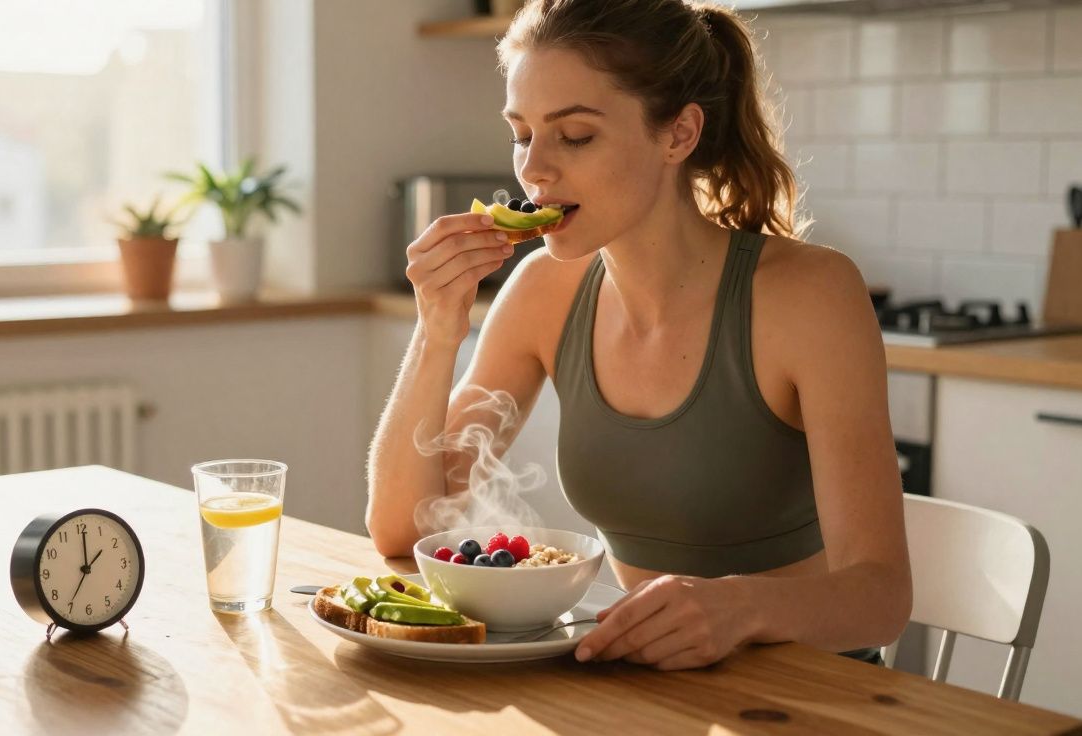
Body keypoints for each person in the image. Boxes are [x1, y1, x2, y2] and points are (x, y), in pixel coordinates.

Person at [366, 0, 911, 671]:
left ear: (678, 134)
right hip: (645, 681)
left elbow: (881, 597)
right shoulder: (545, 290)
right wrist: (437, 331)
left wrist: (737, 608)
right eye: (521, 134)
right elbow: (399, 527)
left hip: (813, 690)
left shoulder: (810, 295)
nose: (533, 171)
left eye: (574, 137)